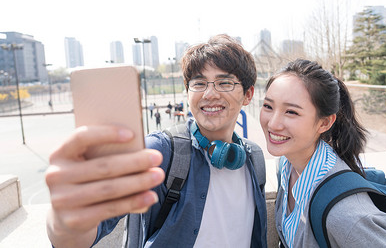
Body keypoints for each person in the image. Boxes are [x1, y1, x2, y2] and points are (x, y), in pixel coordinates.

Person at [45, 34, 267, 248]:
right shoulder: (160, 152)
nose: (210, 94)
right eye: (199, 84)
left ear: (248, 95)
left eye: (224, 83)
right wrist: (63, 220)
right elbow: (79, 236)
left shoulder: (253, 158)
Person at [260, 59, 386, 248]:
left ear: (324, 123)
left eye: (291, 112)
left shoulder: (347, 214)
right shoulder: (286, 166)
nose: (273, 123)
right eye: (268, 106)